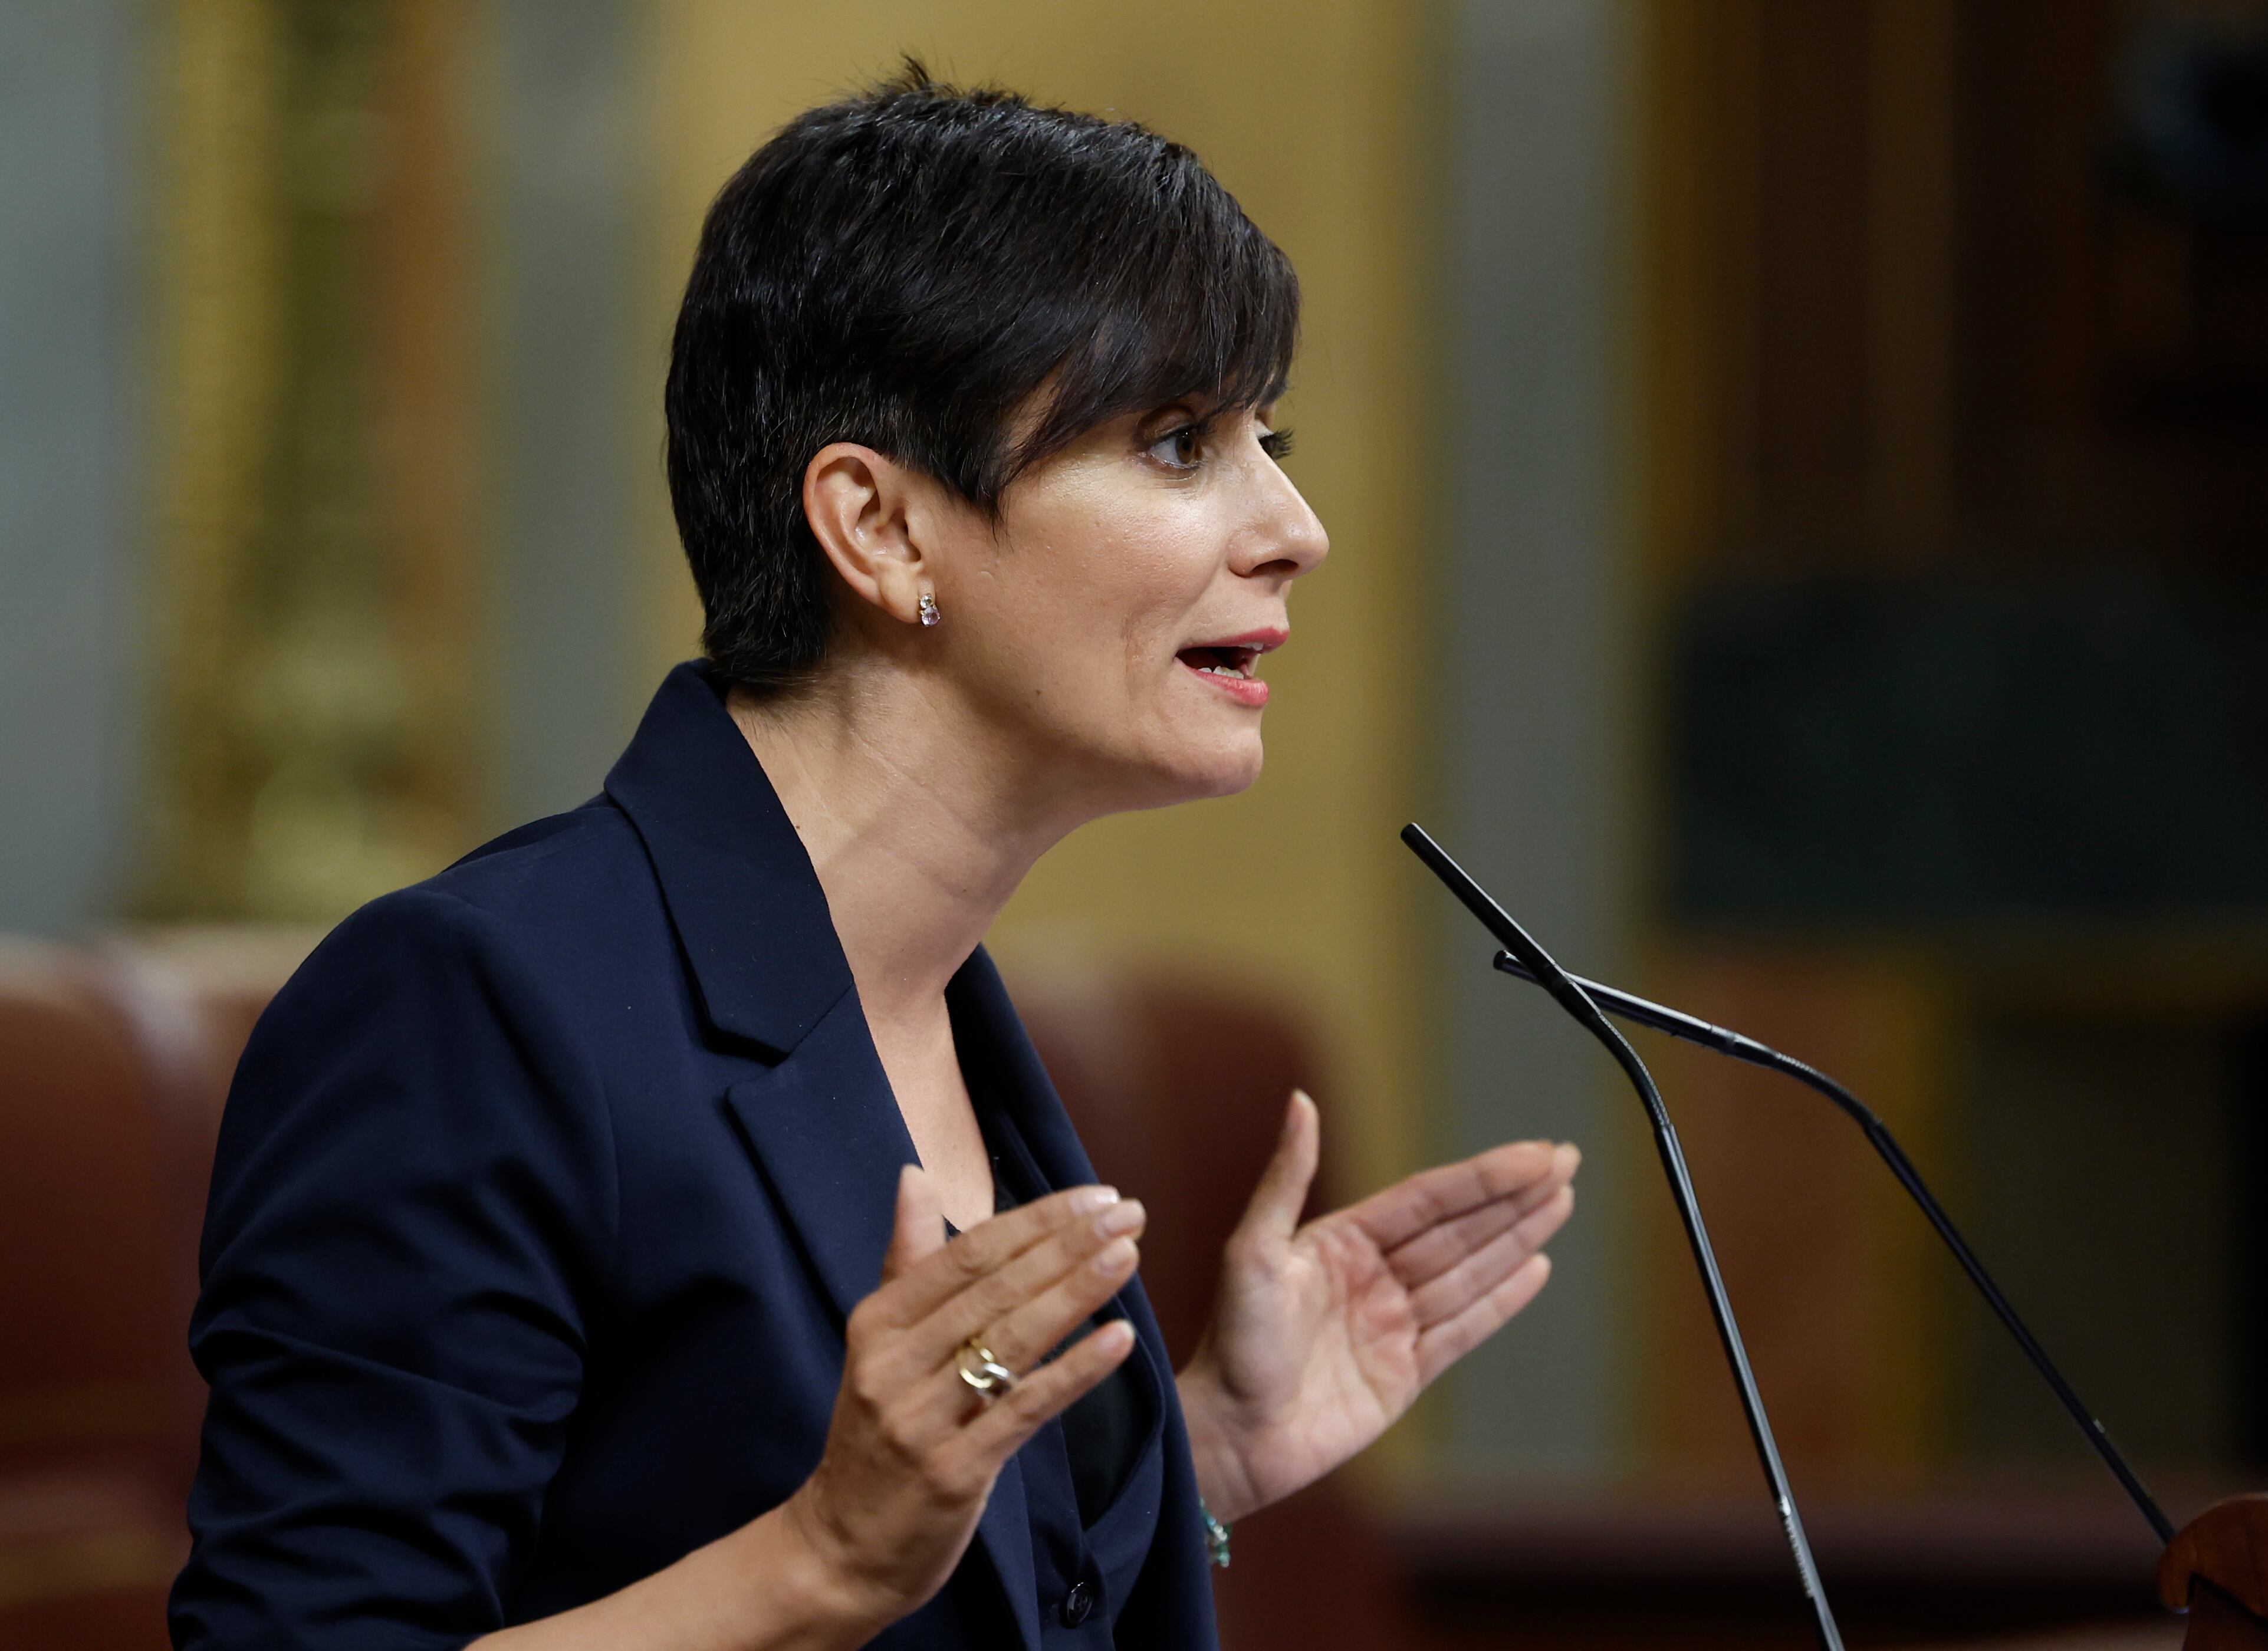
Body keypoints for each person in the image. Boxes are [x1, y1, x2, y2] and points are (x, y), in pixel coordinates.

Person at [171, 67, 1579, 1651]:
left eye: (1273, 436)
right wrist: (819, 1562)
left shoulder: (941, 1008)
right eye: (1182, 444)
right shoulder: (476, 1006)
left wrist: (1199, 1459)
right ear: (883, 529)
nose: (1296, 524)